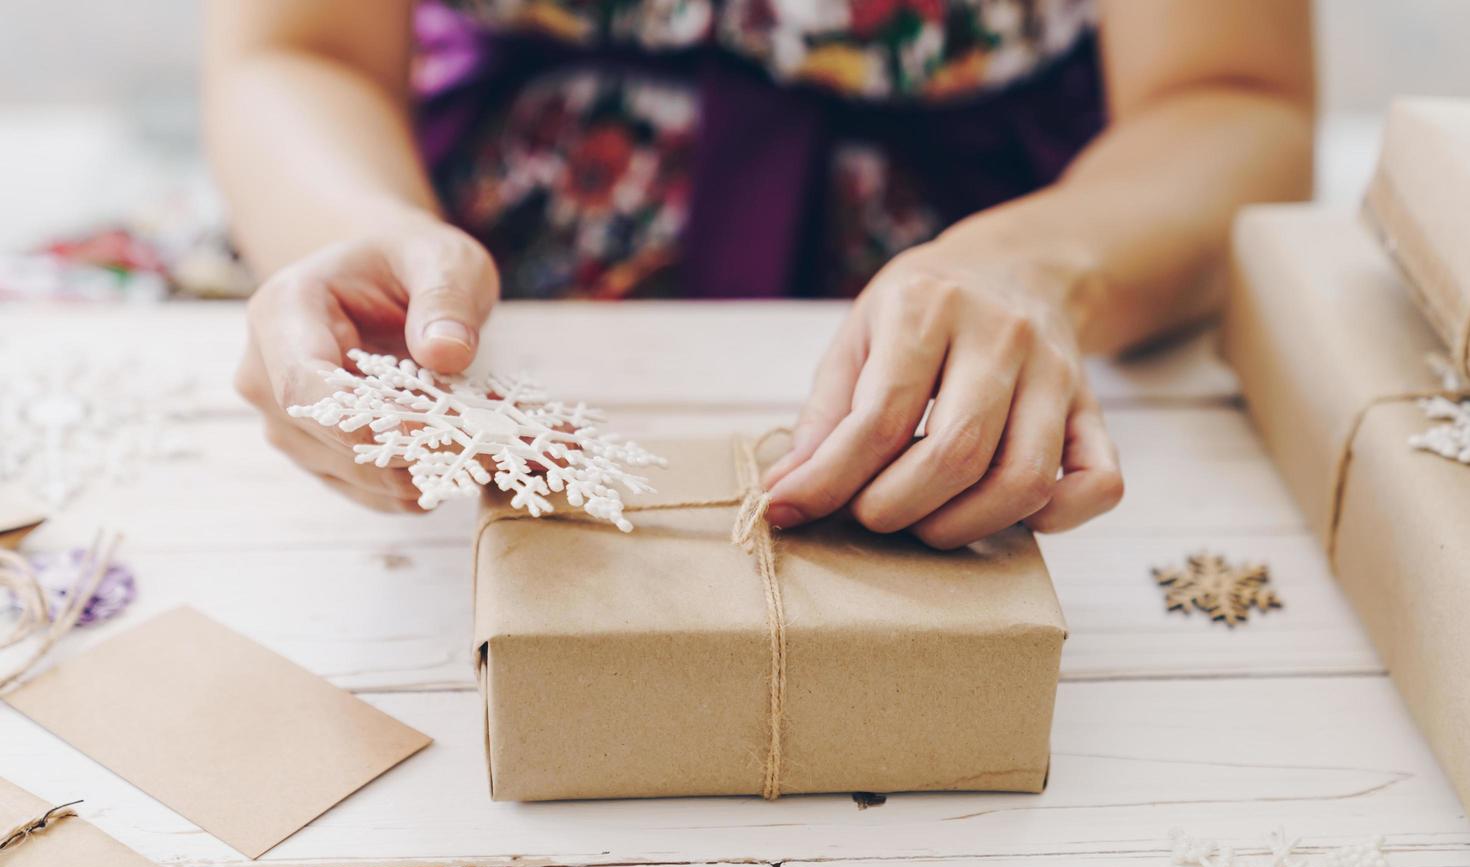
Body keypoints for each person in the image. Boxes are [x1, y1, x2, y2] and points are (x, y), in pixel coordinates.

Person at [205, 0, 1313, 546]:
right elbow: (298, 49)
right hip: (480, 219)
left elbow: (1235, 103)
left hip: (987, 264)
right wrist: (346, 229)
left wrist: (1037, 266)